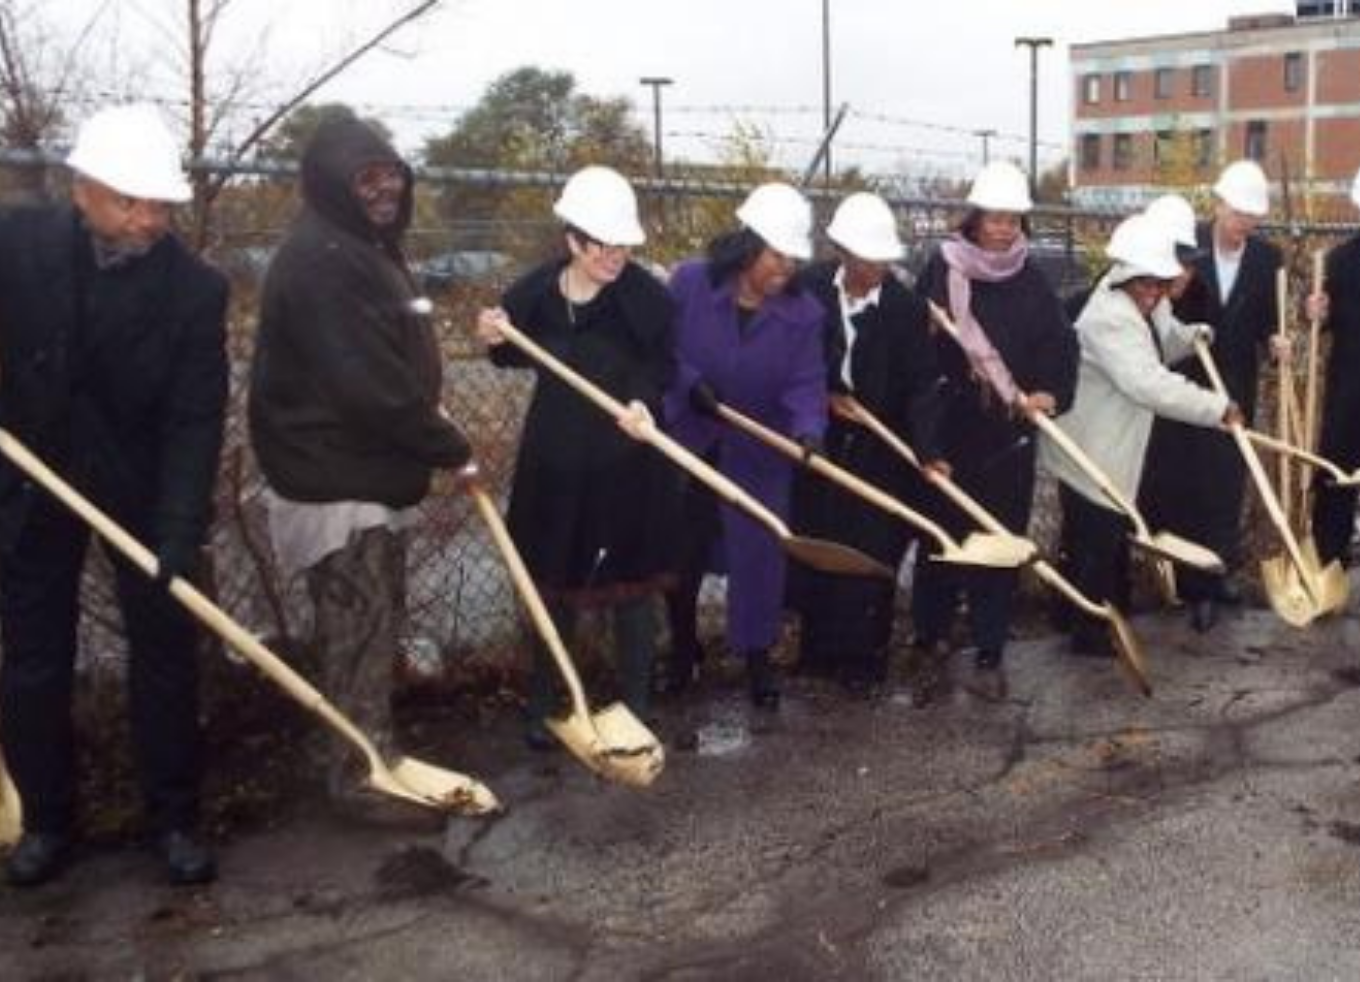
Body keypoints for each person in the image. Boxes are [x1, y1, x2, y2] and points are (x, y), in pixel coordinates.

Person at [0, 104, 227, 886]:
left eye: (158, 203)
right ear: (83, 190)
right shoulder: (17, 247)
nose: (147, 219)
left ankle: (172, 818)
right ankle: (47, 822)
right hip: (34, 478)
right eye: (129, 201)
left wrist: (177, 531)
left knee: (165, 651)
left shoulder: (195, 291)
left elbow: (197, 418)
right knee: (35, 658)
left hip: (139, 491)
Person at [248, 114, 472, 804]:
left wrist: (429, 417)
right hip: (333, 480)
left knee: (371, 632)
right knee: (359, 631)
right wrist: (452, 449)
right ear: (331, 186)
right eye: (366, 180)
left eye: (392, 177)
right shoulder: (322, 259)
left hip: (361, 471)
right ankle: (357, 776)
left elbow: (387, 369)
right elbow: (366, 384)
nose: (384, 191)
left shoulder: (362, 246)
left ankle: (371, 752)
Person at [474, 166, 676, 749]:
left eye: (623, 245)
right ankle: (545, 701)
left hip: (625, 459)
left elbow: (663, 367)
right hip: (556, 459)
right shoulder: (536, 292)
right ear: (573, 241)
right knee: (554, 579)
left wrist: (644, 402)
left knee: (629, 589)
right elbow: (510, 353)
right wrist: (494, 336)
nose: (616, 255)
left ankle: (635, 702)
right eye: (603, 245)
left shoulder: (645, 299)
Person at [909, 160, 1078, 704]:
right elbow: (920, 355)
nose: (1004, 229)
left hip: (1008, 430)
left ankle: (988, 637)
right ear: (975, 218)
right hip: (953, 423)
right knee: (943, 533)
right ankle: (931, 630)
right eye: (995, 218)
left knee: (1001, 535)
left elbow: (1059, 344)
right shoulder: (942, 269)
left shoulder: (1030, 279)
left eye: (1014, 219)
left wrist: (1048, 392)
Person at [1040, 214, 1240, 657]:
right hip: (1091, 446)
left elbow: (1161, 343)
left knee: (1107, 539)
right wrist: (1216, 408)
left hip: (1114, 439)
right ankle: (1089, 638)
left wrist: (1192, 336)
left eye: (1161, 286)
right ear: (1127, 276)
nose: (1156, 295)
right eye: (1148, 286)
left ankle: (1094, 620)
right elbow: (1147, 382)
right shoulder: (1109, 316)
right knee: (1095, 543)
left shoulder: (1146, 298)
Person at [664, 182, 827, 710]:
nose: (786, 269)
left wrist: (808, 430)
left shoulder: (804, 314)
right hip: (691, 438)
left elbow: (807, 380)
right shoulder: (689, 284)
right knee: (681, 554)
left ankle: (757, 659)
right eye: (777, 256)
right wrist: (690, 384)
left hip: (759, 448)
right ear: (748, 245)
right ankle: (683, 651)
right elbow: (659, 349)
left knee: (758, 557)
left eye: (793, 259)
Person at [791, 192, 945, 696]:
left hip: (883, 443)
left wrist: (928, 451)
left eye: (883, 259)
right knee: (823, 542)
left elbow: (923, 385)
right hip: (823, 436)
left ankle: (865, 657)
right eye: (866, 258)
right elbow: (790, 357)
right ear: (842, 253)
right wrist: (821, 397)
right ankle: (818, 651)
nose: (876, 268)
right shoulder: (808, 289)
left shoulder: (905, 309)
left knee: (872, 547)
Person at [1139, 159, 1284, 632]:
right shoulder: (1185, 245)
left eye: (1252, 216)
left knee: (1226, 482)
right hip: (1187, 382)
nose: (1244, 223)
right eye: (1237, 211)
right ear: (1217, 205)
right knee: (1188, 482)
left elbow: (1267, 321)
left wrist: (1278, 341)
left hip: (1236, 384)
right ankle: (1193, 583)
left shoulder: (1267, 259)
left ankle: (1219, 570)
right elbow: (1155, 306)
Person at [1309, 166, 1360, 567]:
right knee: (1337, 472)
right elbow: (1317, 318)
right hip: (1350, 387)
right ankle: (1330, 558)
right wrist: (1312, 311)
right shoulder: (1341, 262)